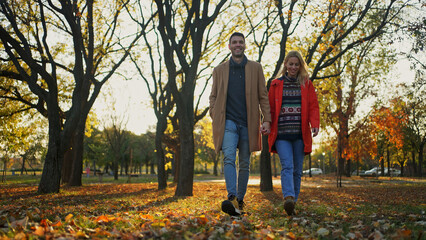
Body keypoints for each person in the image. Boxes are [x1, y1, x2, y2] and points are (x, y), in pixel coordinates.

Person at [209, 32, 271, 216]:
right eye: (234, 42)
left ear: (245, 45)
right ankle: (232, 197)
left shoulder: (255, 68)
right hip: (227, 121)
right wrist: (214, 113)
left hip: (249, 123)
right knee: (228, 157)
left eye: (240, 42)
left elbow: (263, 96)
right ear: (229, 46)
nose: (237, 45)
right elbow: (212, 96)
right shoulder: (219, 70)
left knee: (244, 163)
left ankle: (240, 200)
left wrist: (266, 119)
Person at [268, 50, 320, 216]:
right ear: (285, 64)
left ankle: (293, 203)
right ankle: (288, 196)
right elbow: (269, 107)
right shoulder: (276, 84)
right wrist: (266, 123)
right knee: (287, 166)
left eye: (296, 64)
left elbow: (313, 105)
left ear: (300, 66)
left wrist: (315, 124)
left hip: (299, 134)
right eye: (290, 64)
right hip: (282, 134)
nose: (293, 67)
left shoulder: (306, 84)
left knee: (297, 170)